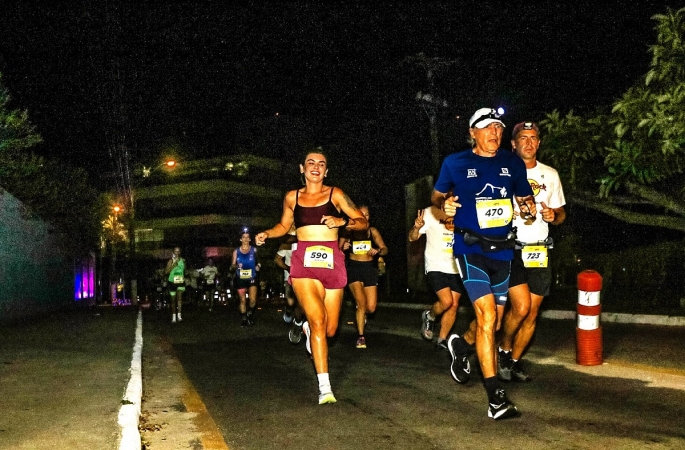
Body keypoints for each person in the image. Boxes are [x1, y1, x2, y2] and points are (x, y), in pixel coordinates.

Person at [434, 107, 535, 420]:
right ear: (473, 132)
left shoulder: (511, 162)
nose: (495, 133)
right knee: (488, 315)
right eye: (488, 128)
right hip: (470, 249)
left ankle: (462, 346)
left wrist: (529, 209)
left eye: (499, 129)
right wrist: (444, 206)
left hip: (503, 252)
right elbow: (436, 201)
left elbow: (524, 200)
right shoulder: (455, 162)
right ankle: (496, 399)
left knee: (490, 322)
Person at [255, 147, 367, 405]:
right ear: (302, 168)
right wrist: (267, 234)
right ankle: (324, 387)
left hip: (332, 261)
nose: (316, 166)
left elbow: (361, 221)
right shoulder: (292, 197)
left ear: (326, 171)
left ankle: (305, 328)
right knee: (318, 321)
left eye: (321, 163)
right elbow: (284, 226)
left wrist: (342, 223)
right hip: (303, 262)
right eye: (310, 162)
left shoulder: (335, 194)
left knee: (329, 329)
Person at [497, 121, 566, 382]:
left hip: (539, 250)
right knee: (521, 308)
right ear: (513, 144)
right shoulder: (502, 173)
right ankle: (504, 350)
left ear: (538, 143)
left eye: (533, 138)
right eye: (523, 138)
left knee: (532, 312)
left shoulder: (551, 174)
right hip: (511, 249)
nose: (528, 142)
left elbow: (561, 215)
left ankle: (513, 361)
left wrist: (552, 214)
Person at [408, 206, 465, 350]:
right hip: (435, 265)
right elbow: (412, 237)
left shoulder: (464, 211)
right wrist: (416, 227)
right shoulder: (429, 212)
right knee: (446, 301)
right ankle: (430, 316)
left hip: (456, 266)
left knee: (454, 304)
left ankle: (442, 339)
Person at [339, 204, 387, 348]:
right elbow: (337, 250)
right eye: (361, 214)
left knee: (371, 308)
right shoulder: (348, 232)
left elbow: (385, 249)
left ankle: (362, 315)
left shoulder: (372, 231)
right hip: (354, 268)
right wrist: (343, 248)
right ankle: (361, 336)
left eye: (367, 214)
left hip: (369, 270)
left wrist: (378, 250)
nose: (364, 217)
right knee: (361, 303)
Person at [231, 230, 260, 327]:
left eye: (247, 237)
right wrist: (236, 266)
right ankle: (244, 318)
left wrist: (258, 266)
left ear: (250, 239)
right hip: (241, 278)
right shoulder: (236, 251)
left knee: (252, 300)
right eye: (244, 237)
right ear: (240, 239)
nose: (246, 239)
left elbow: (259, 262)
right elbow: (232, 266)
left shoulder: (254, 250)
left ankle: (250, 313)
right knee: (243, 300)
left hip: (252, 277)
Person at [165, 247, 186, 323]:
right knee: (173, 300)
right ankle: (174, 316)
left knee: (179, 299)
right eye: (175, 251)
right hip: (172, 281)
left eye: (178, 251)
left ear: (180, 252)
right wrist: (173, 265)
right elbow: (166, 272)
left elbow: (184, 270)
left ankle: (179, 315)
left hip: (180, 281)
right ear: (173, 252)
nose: (177, 253)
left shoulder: (183, 260)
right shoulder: (171, 261)